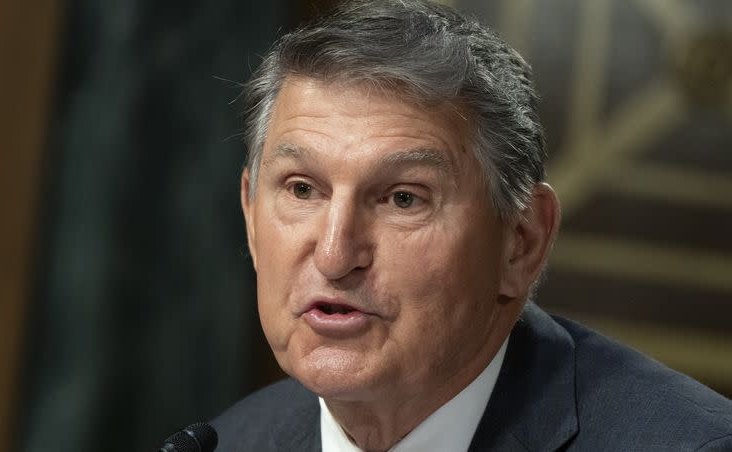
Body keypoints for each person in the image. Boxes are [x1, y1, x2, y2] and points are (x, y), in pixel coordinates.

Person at [210, 0, 732, 450]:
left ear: (520, 243)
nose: (334, 254)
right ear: (251, 217)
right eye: (302, 189)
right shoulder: (231, 441)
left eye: (403, 199)